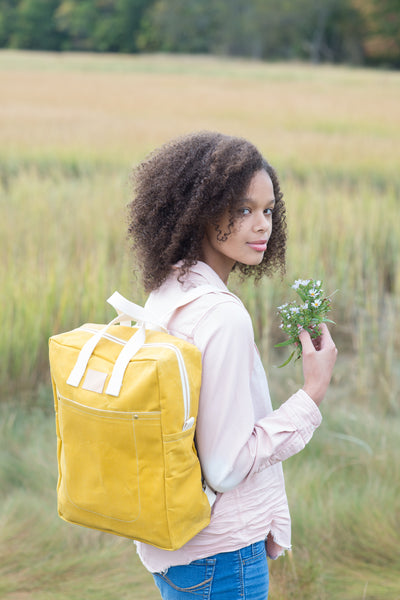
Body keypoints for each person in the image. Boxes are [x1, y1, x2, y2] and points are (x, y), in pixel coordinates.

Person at [127, 131, 337, 599]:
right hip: (221, 558)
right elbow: (224, 468)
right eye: (242, 210)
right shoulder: (222, 315)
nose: (261, 225)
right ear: (200, 209)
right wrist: (311, 393)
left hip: (175, 549)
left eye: (267, 210)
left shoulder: (168, 291)